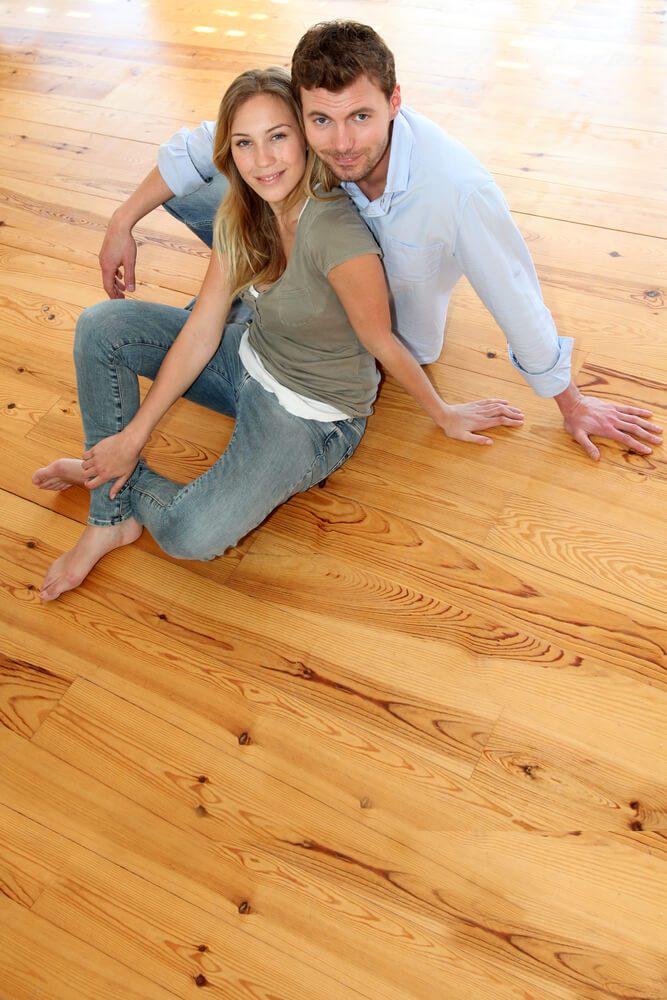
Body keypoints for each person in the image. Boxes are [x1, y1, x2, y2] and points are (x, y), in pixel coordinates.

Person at [34, 68, 523, 602]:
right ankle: (110, 517)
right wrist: (133, 437)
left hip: (310, 417)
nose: (262, 160)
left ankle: (106, 482)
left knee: (189, 535)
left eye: (278, 137)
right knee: (101, 326)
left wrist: (445, 414)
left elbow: (383, 342)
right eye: (244, 142)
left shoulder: (337, 233)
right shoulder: (242, 211)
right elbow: (202, 332)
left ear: (304, 138)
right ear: (230, 149)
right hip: (246, 360)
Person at [97, 20, 662, 462]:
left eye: (362, 117)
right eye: (321, 121)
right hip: (298, 251)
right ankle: (248, 296)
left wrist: (573, 403)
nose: (342, 143)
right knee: (206, 179)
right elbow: (200, 147)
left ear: (395, 102)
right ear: (301, 106)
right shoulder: (302, 118)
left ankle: (245, 301)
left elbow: (515, 295)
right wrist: (121, 222)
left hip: (380, 326)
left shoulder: (458, 192)